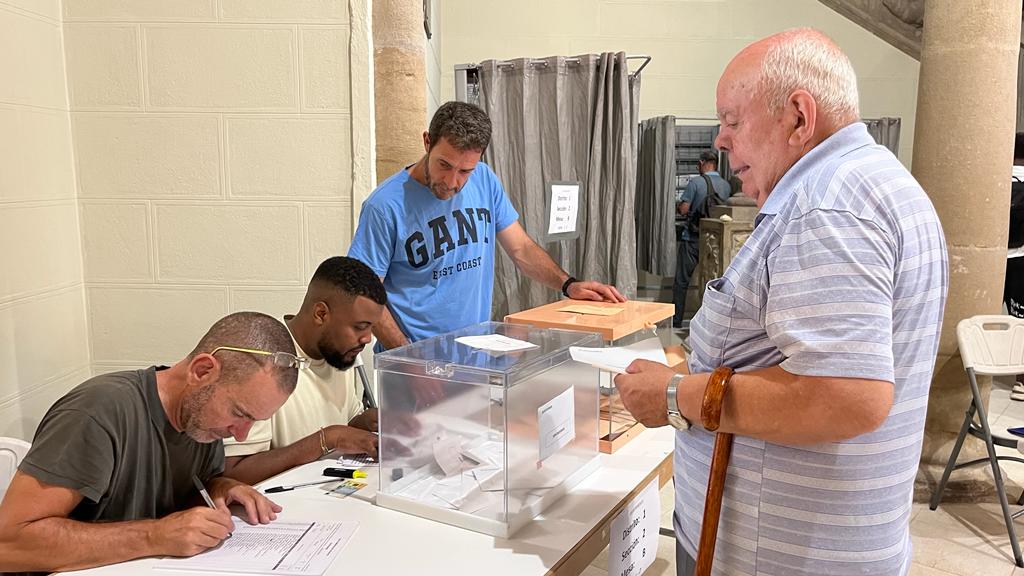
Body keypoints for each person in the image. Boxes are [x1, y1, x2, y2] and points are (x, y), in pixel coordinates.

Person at [614, 28, 947, 576]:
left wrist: (674, 394)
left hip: (780, 553)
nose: (720, 140)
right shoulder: (881, 183)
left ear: (797, 116)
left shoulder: (823, 209)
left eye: (732, 120)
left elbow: (846, 397)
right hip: (832, 535)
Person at [0, 312, 300, 573]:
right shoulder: (97, 412)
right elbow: (9, 544)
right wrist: (153, 536)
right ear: (202, 371)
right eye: (238, 413)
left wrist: (219, 488)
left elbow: (179, 494)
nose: (241, 435)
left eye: (253, 421)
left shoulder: (200, 420)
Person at [348, 101, 626, 352]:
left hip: (474, 352)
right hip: (414, 362)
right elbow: (365, 292)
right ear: (427, 142)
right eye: (444, 164)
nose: (452, 181)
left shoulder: (485, 180)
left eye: (465, 170)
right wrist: (409, 355)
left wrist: (568, 284)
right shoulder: (384, 206)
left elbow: (522, 249)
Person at [222, 257, 387, 484]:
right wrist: (328, 438)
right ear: (320, 314)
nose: (368, 338)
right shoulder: (262, 360)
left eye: (371, 327)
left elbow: (346, 422)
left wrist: (372, 422)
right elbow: (233, 474)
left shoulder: (339, 353)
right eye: (359, 327)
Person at [673, 150, 731, 328]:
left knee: (681, 281)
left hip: (692, 238)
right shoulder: (726, 185)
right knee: (711, 284)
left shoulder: (696, 183)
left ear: (703, 163)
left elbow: (684, 209)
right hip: (715, 241)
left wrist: (678, 205)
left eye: (699, 163)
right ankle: (709, 324)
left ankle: (676, 321)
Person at [1007, 134, 1024, 399]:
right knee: (1022, 319)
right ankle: (1021, 380)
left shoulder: (1000, 173)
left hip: (996, 254)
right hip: (1021, 254)